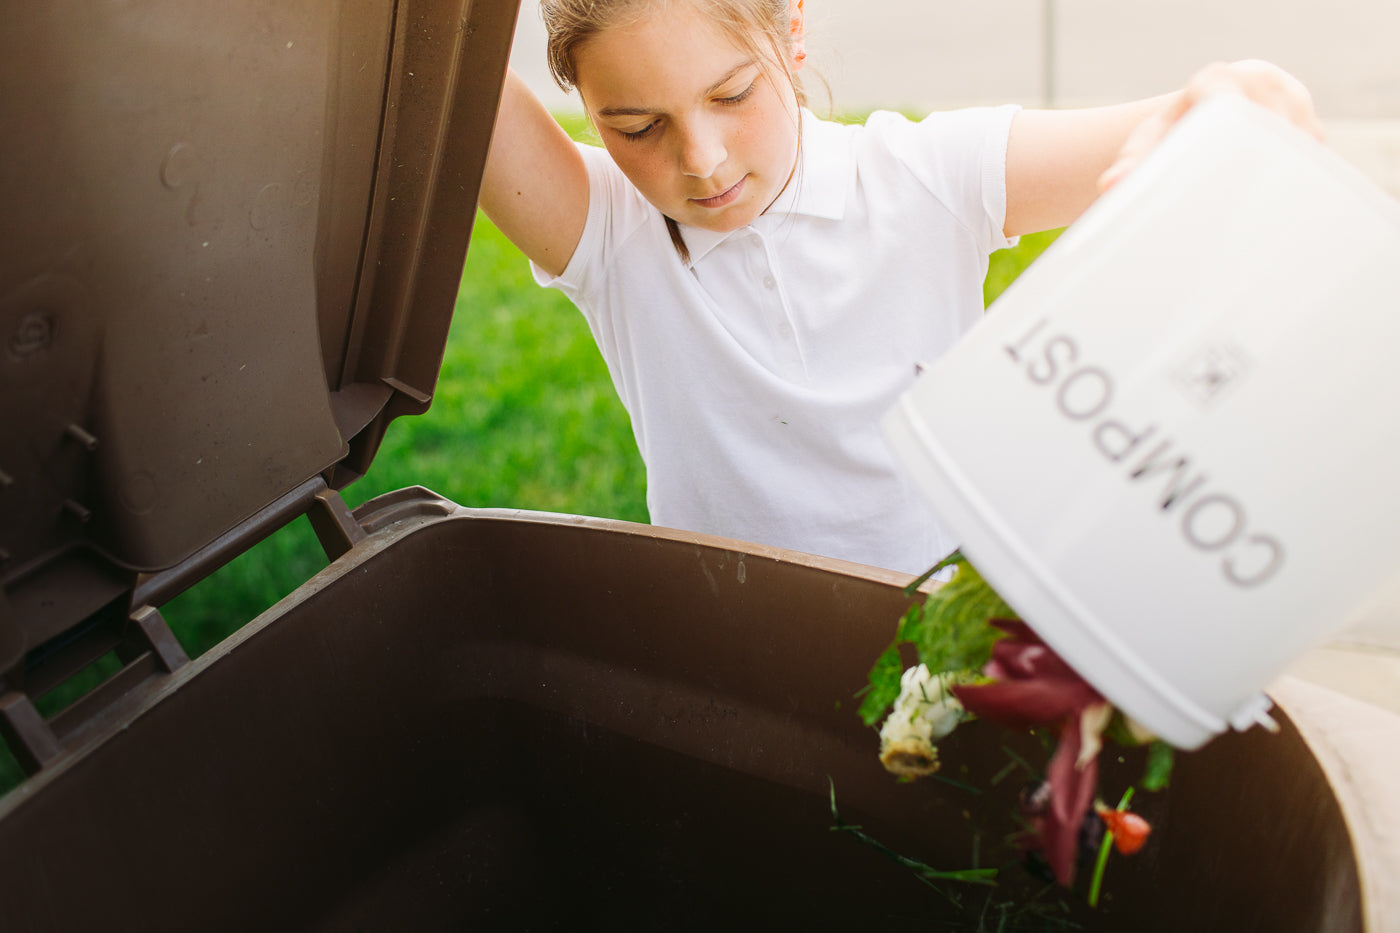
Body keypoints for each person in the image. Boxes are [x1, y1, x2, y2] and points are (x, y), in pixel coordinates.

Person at [480, 0, 1321, 575]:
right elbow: (439, 57)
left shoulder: (924, 178)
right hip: (730, 663)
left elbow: (1192, 121)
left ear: (792, 28)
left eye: (732, 94)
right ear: (586, 105)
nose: (701, 159)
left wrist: (1243, 94)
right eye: (637, 126)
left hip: (942, 650)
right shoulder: (608, 231)